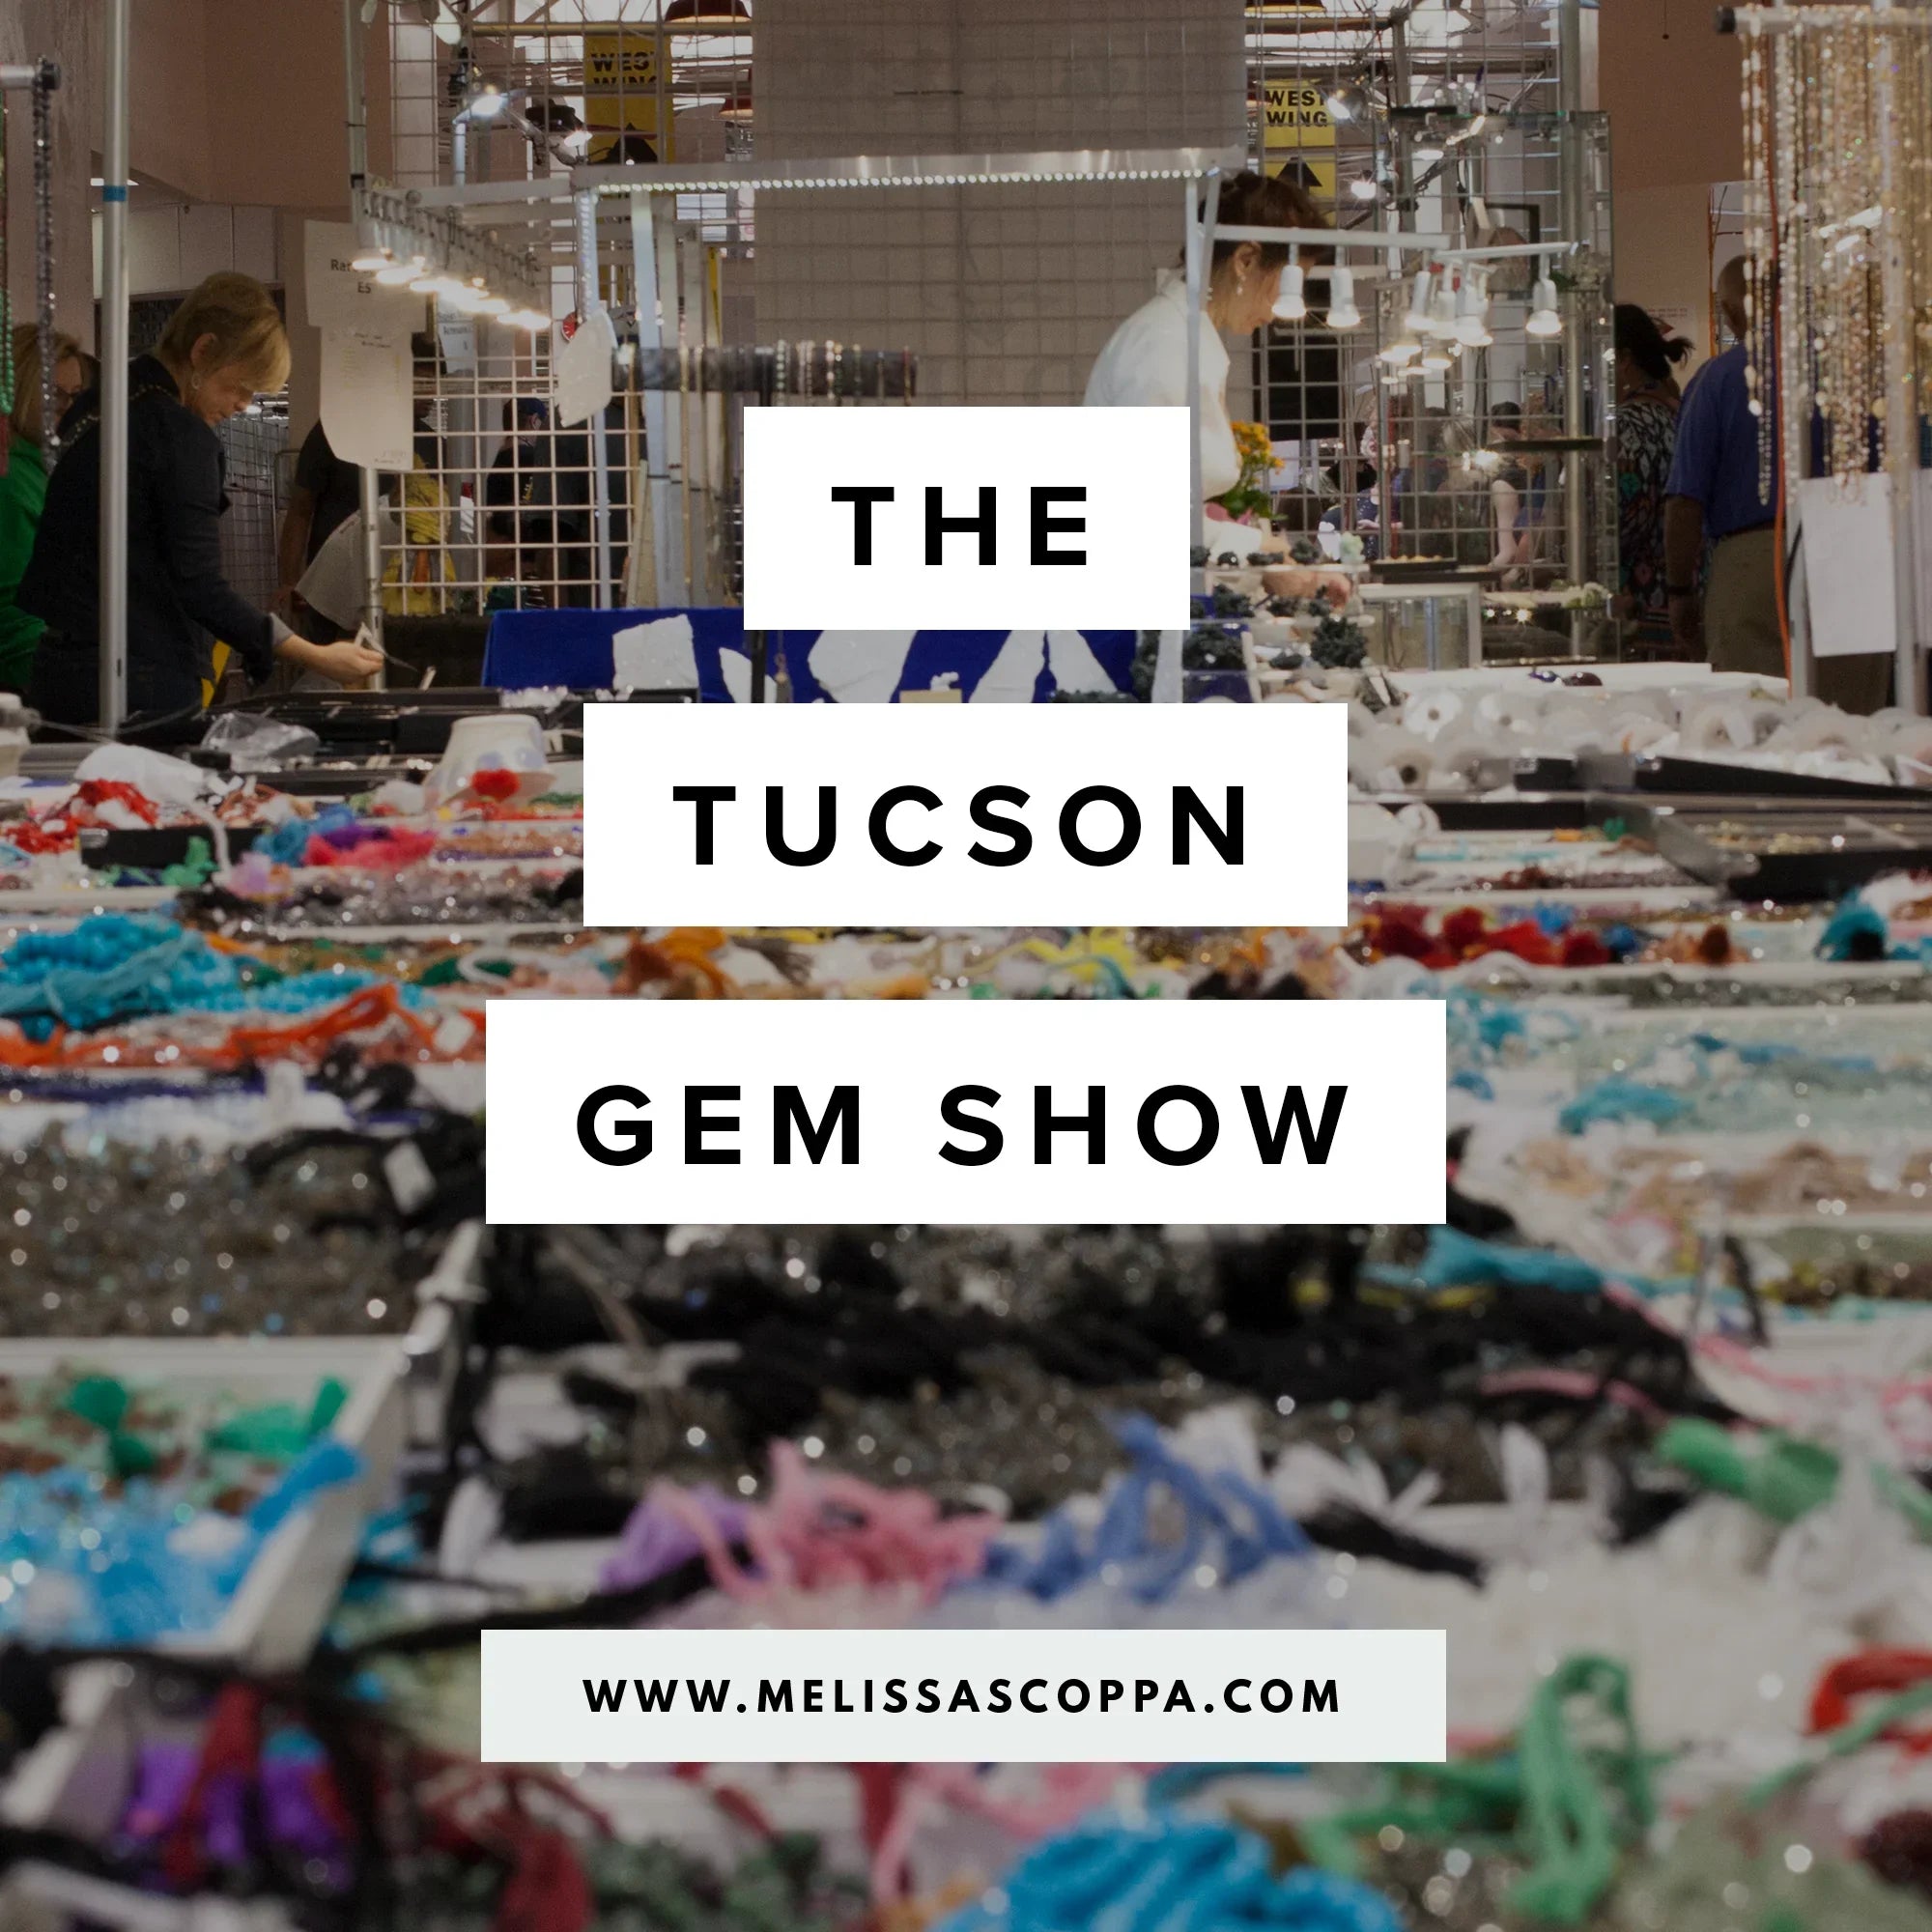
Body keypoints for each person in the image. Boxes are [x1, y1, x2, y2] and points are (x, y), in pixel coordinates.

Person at [19, 273, 379, 728]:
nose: (241, 404)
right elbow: (199, 585)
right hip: (137, 682)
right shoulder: (178, 436)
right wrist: (314, 654)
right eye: (240, 386)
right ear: (203, 350)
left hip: (58, 671)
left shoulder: (99, 403)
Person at [1665, 256, 1888, 709]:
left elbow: (1685, 500)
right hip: (1852, 552)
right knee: (1855, 715)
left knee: (1756, 719)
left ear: (1729, 311)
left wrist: (1679, 591)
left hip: (1754, 561)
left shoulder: (1716, 381)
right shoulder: (1854, 374)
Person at [1085, 170, 1327, 554]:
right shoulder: (1164, 344)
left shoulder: (1189, 338)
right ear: (1245, 260)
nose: (1282, 309)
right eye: (1287, 282)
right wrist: (1259, 548)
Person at [0, 326, 87, 696]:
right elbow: (11, 613)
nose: (66, 405)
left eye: (74, 395)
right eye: (54, 392)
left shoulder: (42, 471)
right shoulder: (9, 479)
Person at [1612, 304, 1690, 648]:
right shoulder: (1679, 411)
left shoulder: (1631, 424)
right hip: (1689, 584)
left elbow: (1627, 512)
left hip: (1644, 601)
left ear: (1624, 358)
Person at [276, 419, 362, 642]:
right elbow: (300, 510)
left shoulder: (427, 440)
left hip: (397, 586)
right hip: (328, 586)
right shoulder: (332, 431)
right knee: (327, 668)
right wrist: (290, 581)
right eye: (424, 383)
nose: (431, 393)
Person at [485, 396, 559, 605]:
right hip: (528, 558)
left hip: (498, 560)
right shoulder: (535, 460)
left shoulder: (494, 461)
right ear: (534, 420)